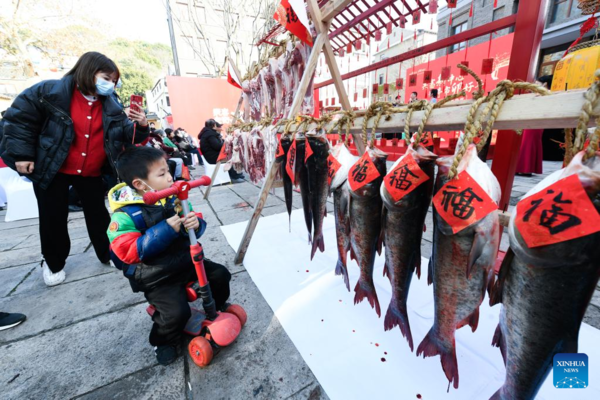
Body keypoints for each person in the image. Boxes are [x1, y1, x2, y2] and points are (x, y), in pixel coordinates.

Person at [0, 51, 149, 287]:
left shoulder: (112, 104)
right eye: (106, 78)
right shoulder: (49, 92)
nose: (110, 84)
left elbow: (124, 137)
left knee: (99, 216)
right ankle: (53, 261)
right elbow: (19, 120)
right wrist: (23, 154)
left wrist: (141, 125)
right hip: (54, 167)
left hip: (91, 170)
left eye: (113, 80)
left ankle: (108, 252)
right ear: (88, 72)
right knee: (53, 218)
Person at [107, 146, 231, 365]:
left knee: (220, 275)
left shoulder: (173, 198)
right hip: (157, 275)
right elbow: (127, 252)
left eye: (168, 171)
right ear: (139, 184)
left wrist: (194, 223)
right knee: (176, 312)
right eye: (162, 174)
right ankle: (162, 340)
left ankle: (218, 307)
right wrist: (165, 230)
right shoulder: (125, 215)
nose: (169, 177)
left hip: (186, 262)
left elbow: (193, 222)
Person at [516, 75, 552, 176]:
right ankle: (522, 168)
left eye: (537, 83)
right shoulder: (538, 94)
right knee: (526, 143)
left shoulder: (546, 94)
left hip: (536, 120)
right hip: (532, 119)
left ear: (545, 84)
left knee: (529, 143)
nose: (535, 85)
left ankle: (525, 169)